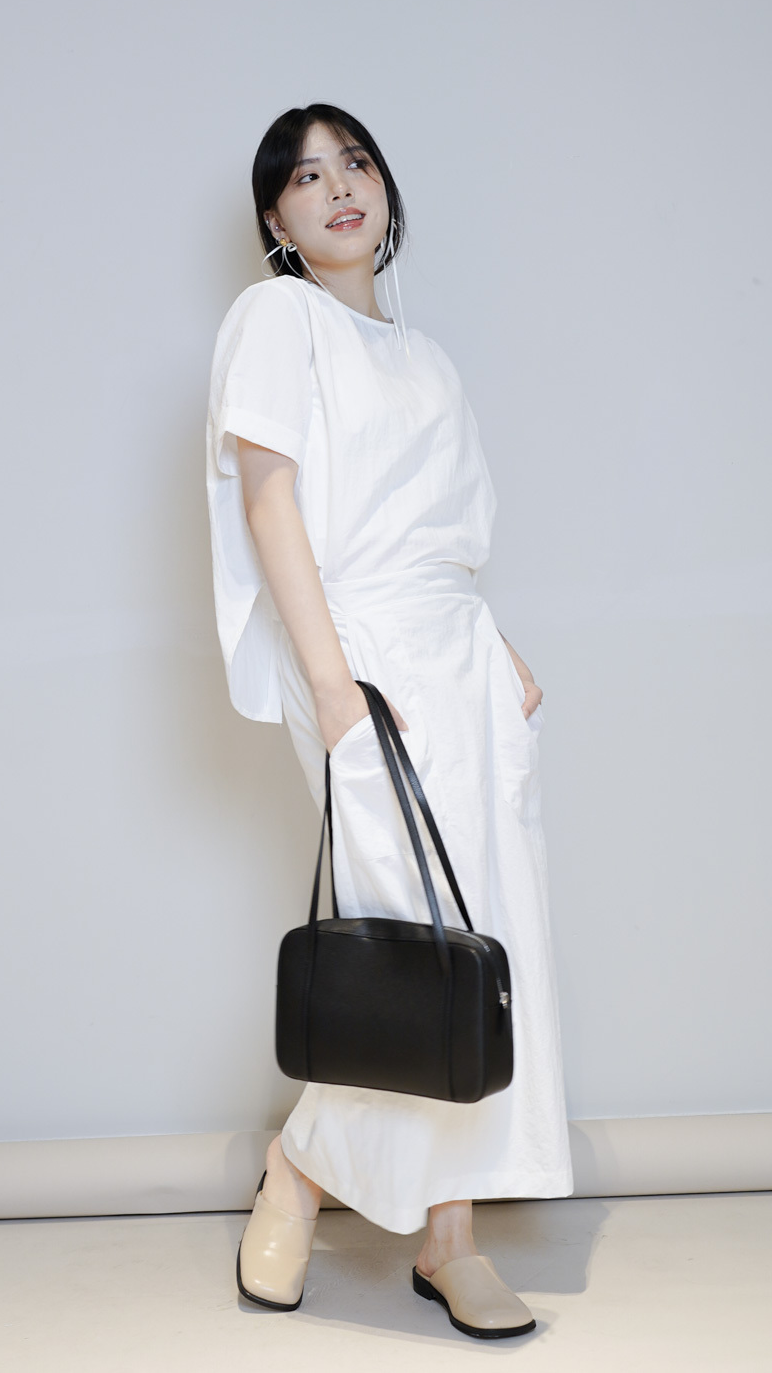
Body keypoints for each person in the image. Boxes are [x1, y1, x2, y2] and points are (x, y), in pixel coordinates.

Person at [205, 103, 573, 1339]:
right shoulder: (278, 319)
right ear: (276, 219)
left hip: (457, 654)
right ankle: (299, 1170)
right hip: (357, 650)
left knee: (475, 939)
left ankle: (447, 1238)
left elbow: (441, 534)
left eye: (354, 163)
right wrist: (329, 681)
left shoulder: (427, 357)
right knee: (400, 933)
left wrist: (495, 648)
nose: (339, 188)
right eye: (307, 177)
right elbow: (269, 503)